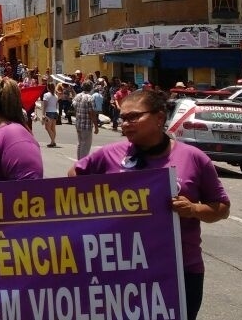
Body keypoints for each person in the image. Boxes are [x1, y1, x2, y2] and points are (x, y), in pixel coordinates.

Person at [69, 88, 230, 320]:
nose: (125, 124)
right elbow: (73, 178)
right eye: (122, 118)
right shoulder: (109, 155)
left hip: (180, 271)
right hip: (122, 271)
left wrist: (193, 210)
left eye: (134, 117)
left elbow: (221, 208)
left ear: (159, 117)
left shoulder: (194, 158)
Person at [72, 80, 97, 159]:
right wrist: (96, 126)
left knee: (80, 143)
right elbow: (92, 113)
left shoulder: (78, 96)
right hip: (86, 125)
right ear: (91, 88)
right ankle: (82, 163)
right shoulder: (90, 98)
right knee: (85, 145)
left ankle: (79, 161)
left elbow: (74, 105)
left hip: (78, 123)